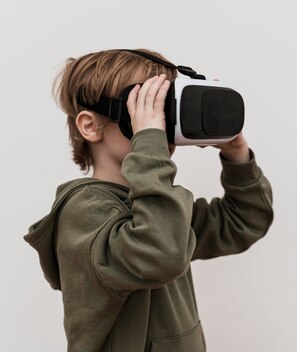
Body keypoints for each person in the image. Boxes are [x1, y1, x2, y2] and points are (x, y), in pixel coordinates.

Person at [23, 49, 274, 351]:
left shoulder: (156, 202)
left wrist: (236, 154)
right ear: (90, 126)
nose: (159, 125)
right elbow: (160, 254)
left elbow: (243, 221)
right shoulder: (83, 211)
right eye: (144, 111)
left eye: (165, 109)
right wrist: (150, 146)